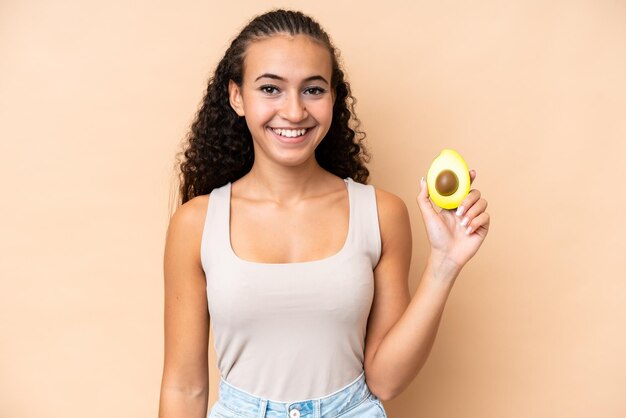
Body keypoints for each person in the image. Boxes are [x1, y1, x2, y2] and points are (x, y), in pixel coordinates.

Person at [158, 9, 490, 418]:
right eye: (270, 89)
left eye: (313, 90)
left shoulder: (381, 213)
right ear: (237, 97)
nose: (295, 112)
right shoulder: (195, 224)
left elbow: (385, 380)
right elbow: (184, 386)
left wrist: (444, 263)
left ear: (333, 97)